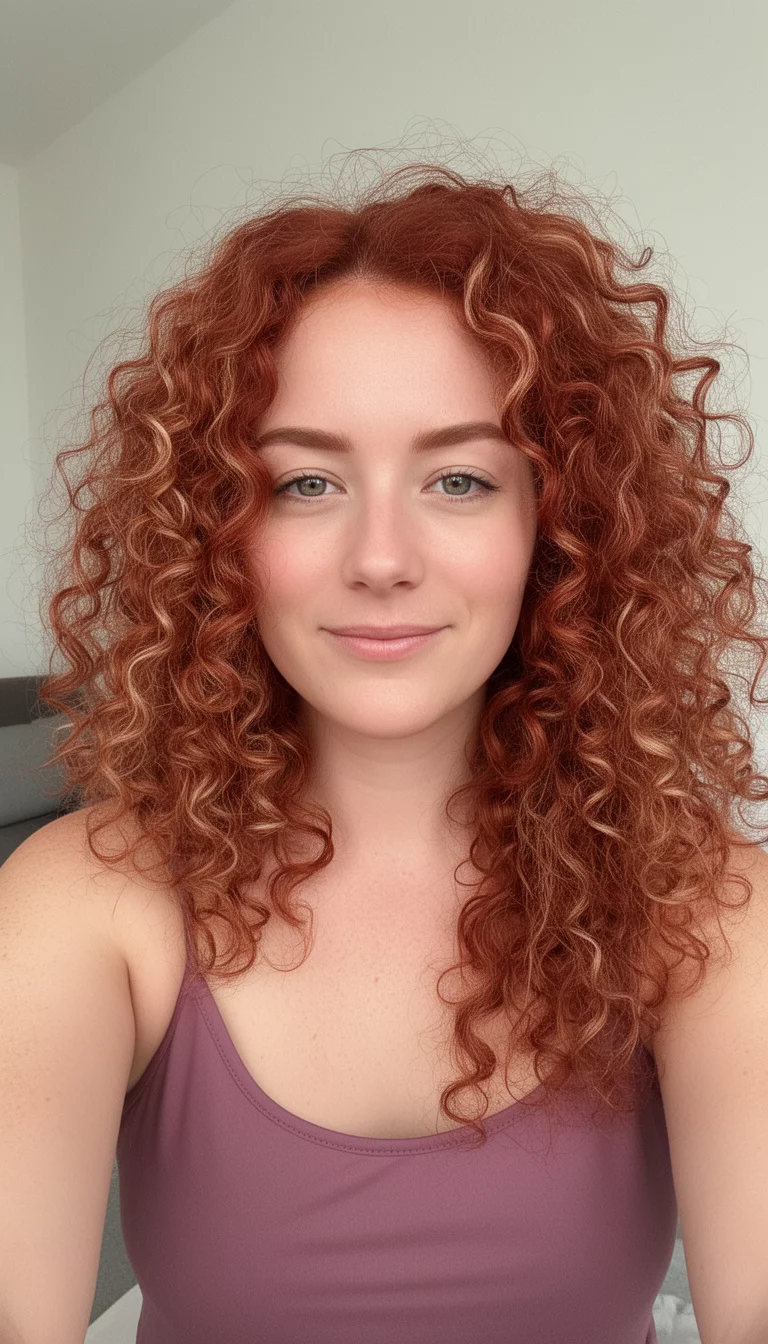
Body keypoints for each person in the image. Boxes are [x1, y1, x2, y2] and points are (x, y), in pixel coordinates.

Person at [3, 158, 767, 1344]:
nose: (380, 556)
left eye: (459, 478)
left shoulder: (709, 909)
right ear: (221, 533)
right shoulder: (79, 903)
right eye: (305, 481)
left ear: (559, 528)